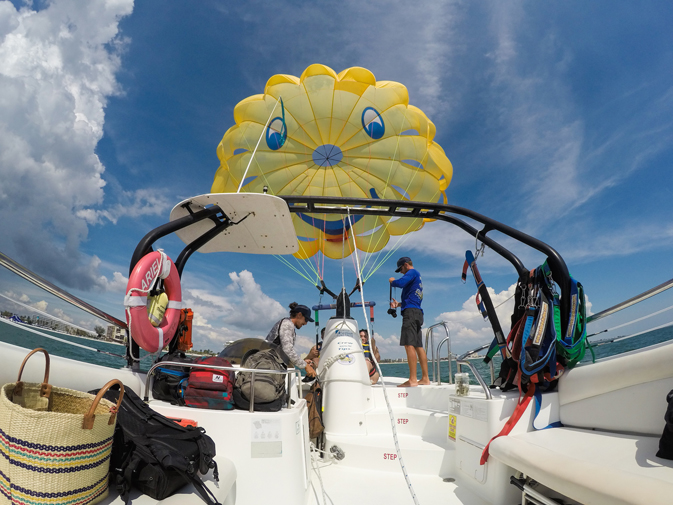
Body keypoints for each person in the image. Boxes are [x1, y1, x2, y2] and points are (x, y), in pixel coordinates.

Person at [389, 256, 430, 387]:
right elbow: (412, 299)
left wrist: (392, 281)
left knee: (408, 344)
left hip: (410, 314)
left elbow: (400, 283)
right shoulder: (417, 276)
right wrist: (400, 304)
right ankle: (425, 378)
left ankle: (412, 379)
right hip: (417, 312)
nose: (401, 272)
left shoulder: (412, 272)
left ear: (406, 265)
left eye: (401, 269)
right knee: (418, 346)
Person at [266, 302, 316, 378]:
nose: (306, 323)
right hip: (269, 366)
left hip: (274, 365)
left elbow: (284, 352)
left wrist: (302, 362)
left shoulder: (287, 324)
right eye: (306, 319)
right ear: (299, 315)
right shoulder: (287, 324)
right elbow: (287, 349)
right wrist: (305, 366)